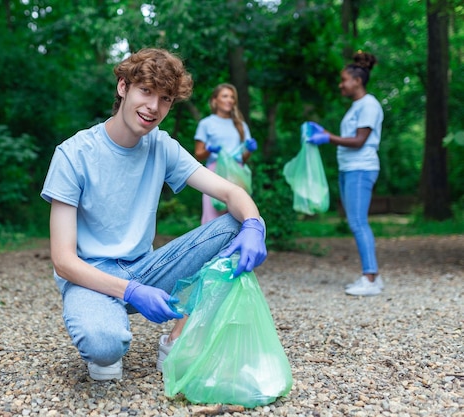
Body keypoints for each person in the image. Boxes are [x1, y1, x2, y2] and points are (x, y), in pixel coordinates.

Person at [41, 48, 267, 381]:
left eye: (165, 99)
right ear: (123, 87)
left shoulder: (162, 146)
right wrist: (129, 292)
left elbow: (232, 193)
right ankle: (107, 326)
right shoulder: (74, 154)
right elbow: (62, 260)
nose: (153, 107)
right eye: (146, 91)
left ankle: (177, 342)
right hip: (89, 275)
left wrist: (254, 225)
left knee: (237, 223)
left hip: (146, 270)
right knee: (105, 347)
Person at [306, 51, 384, 296]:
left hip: (361, 168)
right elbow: (351, 137)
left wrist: (328, 137)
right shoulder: (357, 107)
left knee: (358, 222)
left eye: (344, 80)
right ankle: (373, 276)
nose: (341, 84)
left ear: (357, 81)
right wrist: (328, 133)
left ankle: (369, 278)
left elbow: (360, 140)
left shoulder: (369, 105)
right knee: (356, 222)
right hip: (350, 168)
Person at [194, 83, 258, 224]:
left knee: (238, 217)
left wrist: (249, 150)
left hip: (237, 173)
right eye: (225, 96)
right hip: (214, 173)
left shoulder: (241, 125)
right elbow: (198, 154)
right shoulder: (207, 124)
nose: (229, 100)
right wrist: (209, 149)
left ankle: (237, 246)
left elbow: (243, 158)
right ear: (215, 100)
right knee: (212, 217)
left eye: (232, 97)